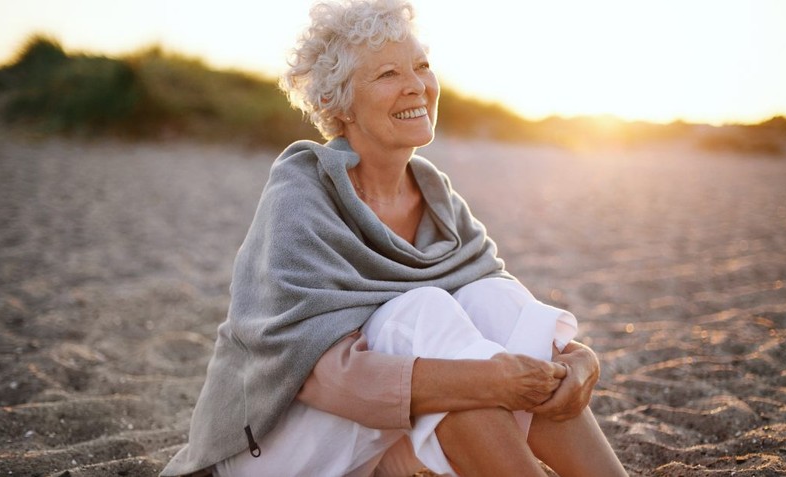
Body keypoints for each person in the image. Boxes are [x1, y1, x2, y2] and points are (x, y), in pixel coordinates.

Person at [161, 0, 626, 476]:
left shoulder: (435, 196)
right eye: (387, 74)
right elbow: (322, 378)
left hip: (379, 443)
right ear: (334, 104)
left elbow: (506, 319)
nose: (416, 86)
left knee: (492, 295)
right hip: (272, 446)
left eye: (421, 66)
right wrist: (489, 380)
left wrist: (578, 361)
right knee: (420, 312)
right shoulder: (301, 195)